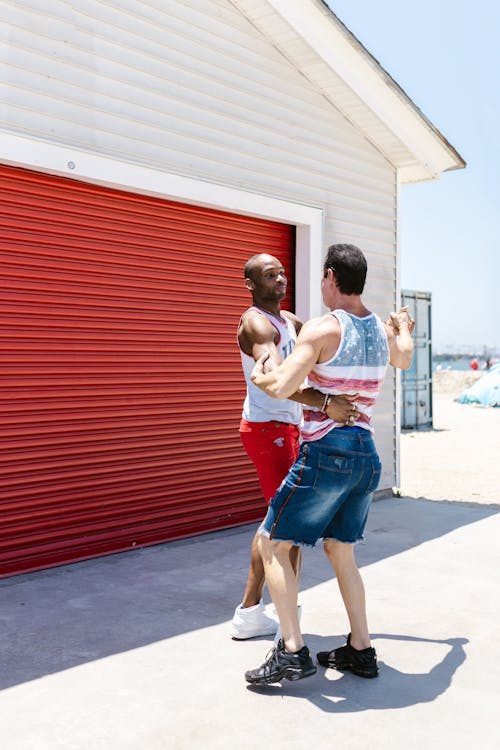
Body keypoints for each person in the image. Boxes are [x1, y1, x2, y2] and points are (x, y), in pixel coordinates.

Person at [244, 243, 414, 684]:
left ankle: (293, 653)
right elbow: (405, 357)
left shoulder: (321, 330)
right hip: (366, 458)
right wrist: (404, 328)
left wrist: (263, 372)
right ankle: (361, 649)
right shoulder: (379, 329)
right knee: (342, 552)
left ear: (332, 277)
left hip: (326, 452)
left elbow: (280, 384)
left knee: (275, 545)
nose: (319, 284)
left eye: (322, 278)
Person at [231, 253, 358, 640]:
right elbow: (272, 371)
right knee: (289, 525)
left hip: (287, 427)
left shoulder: (289, 321)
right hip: (267, 429)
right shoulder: (255, 323)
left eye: (282, 272)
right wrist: (324, 403)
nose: (280, 279)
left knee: (279, 522)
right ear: (251, 285)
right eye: (269, 276)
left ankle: (255, 613)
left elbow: (321, 348)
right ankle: (276, 620)